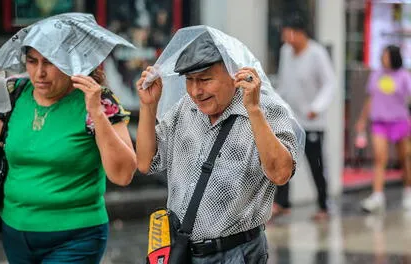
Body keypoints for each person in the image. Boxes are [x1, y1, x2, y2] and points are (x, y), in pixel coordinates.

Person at [0, 19, 137, 264]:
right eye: (32, 61)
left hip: (76, 237)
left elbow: (123, 174)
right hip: (15, 232)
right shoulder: (15, 92)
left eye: (49, 62)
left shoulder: (97, 99)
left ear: (70, 62)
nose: (39, 73)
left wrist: (97, 113)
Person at [136, 28, 300, 263]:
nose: (195, 91)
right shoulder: (185, 109)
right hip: (183, 252)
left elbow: (281, 173)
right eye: (189, 81)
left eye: (205, 80)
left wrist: (254, 110)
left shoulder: (265, 109)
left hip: (237, 253)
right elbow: (144, 162)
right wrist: (148, 107)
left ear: (234, 72)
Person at [274, 12, 336, 221]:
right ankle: (283, 202)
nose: (286, 39)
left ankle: (323, 205)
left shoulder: (316, 53)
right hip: (291, 119)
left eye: (289, 34)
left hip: (312, 121)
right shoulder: (286, 52)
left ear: (300, 34)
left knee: (315, 163)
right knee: (285, 160)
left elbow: (329, 84)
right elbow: (284, 83)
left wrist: (316, 107)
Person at [355, 45, 411, 213]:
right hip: (379, 122)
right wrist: (362, 120)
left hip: (399, 121)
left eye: (386, 56)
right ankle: (378, 195)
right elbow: (370, 99)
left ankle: (408, 191)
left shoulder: (403, 76)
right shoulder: (376, 75)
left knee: (404, 159)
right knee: (380, 159)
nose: (382, 58)